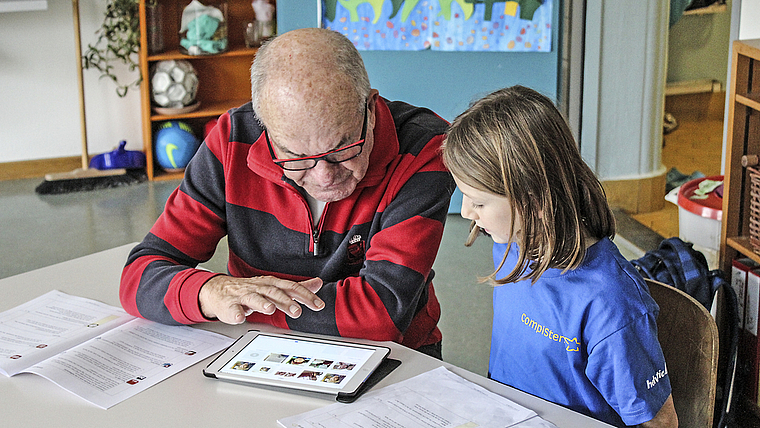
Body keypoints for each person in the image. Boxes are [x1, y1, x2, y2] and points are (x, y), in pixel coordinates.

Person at [120, 28, 454, 358]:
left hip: (394, 357)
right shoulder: (232, 141)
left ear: (370, 107)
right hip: (260, 350)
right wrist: (212, 292)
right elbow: (139, 277)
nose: (324, 176)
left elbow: (380, 315)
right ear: (263, 127)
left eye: (343, 147)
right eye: (296, 157)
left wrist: (247, 304)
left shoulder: (424, 148)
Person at [442, 86, 678, 427]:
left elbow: (660, 422)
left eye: (478, 202)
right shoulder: (511, 246)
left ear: (534, 200)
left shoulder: (611, 305)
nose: (466, 213)